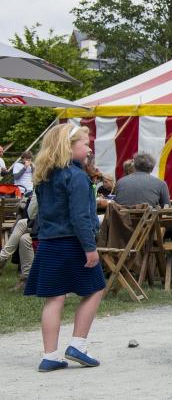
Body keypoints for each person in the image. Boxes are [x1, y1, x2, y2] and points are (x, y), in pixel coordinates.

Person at [24, 124, 105, 372]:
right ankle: (78, 344)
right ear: (68, 148)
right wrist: (90, 248)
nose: (89, 147)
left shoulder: (44, 176)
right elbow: (80, 217)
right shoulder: (77, 176)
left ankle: (50, 355)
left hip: (49, 243)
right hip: (74, 242)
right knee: (95, 289)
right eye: (84, 143)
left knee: (54, 298)